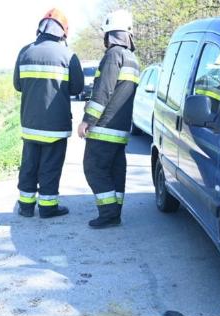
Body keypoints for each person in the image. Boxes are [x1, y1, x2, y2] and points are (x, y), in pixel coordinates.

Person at [13, 8, 84, 218]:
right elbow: (77, 89)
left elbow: (18, 85)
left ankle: (25, 207)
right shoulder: (68, 56)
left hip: (30, 122)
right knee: (50, 167)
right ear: (64, 32)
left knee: (29, 165)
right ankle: (47, 207)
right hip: (55, 125)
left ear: (40, 28)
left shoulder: (24, 52)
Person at [77, 9, 140, 229]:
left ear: (109, 34)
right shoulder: (132, 58)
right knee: (115, 171)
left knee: (93, 168)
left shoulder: (113, 55)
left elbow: (103, 91)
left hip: (104, 128)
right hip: (120, 129)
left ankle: (108, 213)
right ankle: (115, 211)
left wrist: (87, 120)